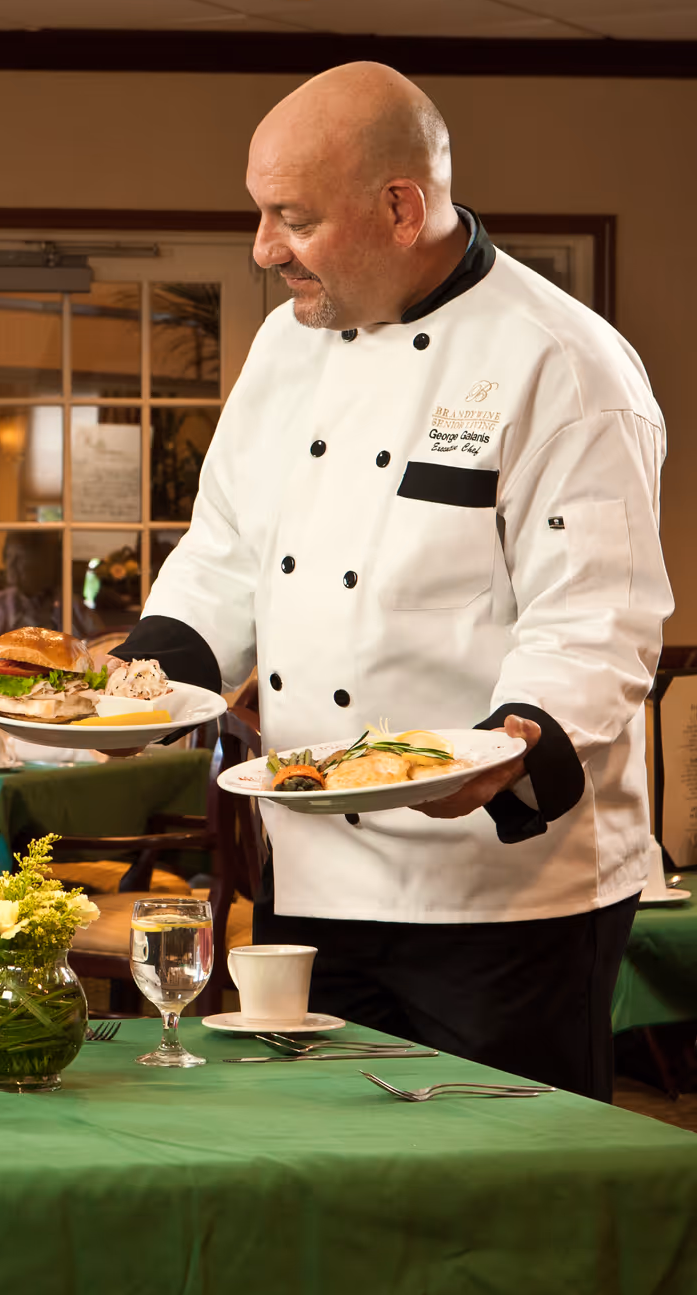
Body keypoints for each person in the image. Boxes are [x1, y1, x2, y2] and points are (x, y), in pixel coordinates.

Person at [112, 63, 669, 1100]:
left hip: (503, 898)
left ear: (401, 207)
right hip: (314, 866)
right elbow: (231, 547)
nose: (263, 248)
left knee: (501, 1190)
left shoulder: (565, 362)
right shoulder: (288, 342)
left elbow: (595, 617)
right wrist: (137, 681)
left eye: (293, 218)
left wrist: (520, 739)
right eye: (261, 213)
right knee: (320, 1173)